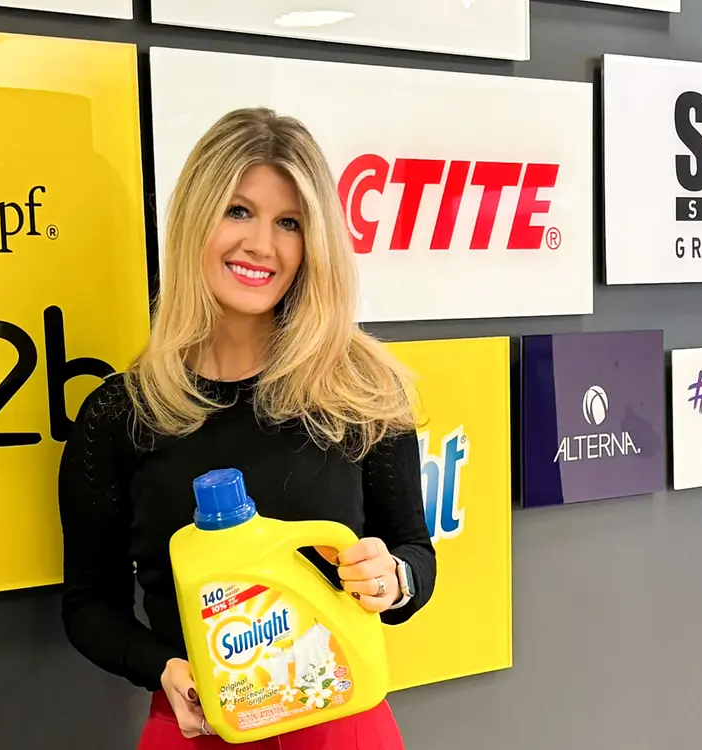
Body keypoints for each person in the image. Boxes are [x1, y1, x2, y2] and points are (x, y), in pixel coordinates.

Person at [58, 107, 435, 749]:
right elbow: (88, 605)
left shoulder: (364, 392)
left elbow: (413, 552)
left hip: (344, 727)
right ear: (194, 222)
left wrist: (393, 578)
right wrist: (164, 669)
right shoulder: (120, 416)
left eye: (288, 223)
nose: (262, 244)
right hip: (199, 728)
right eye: (238, 211)